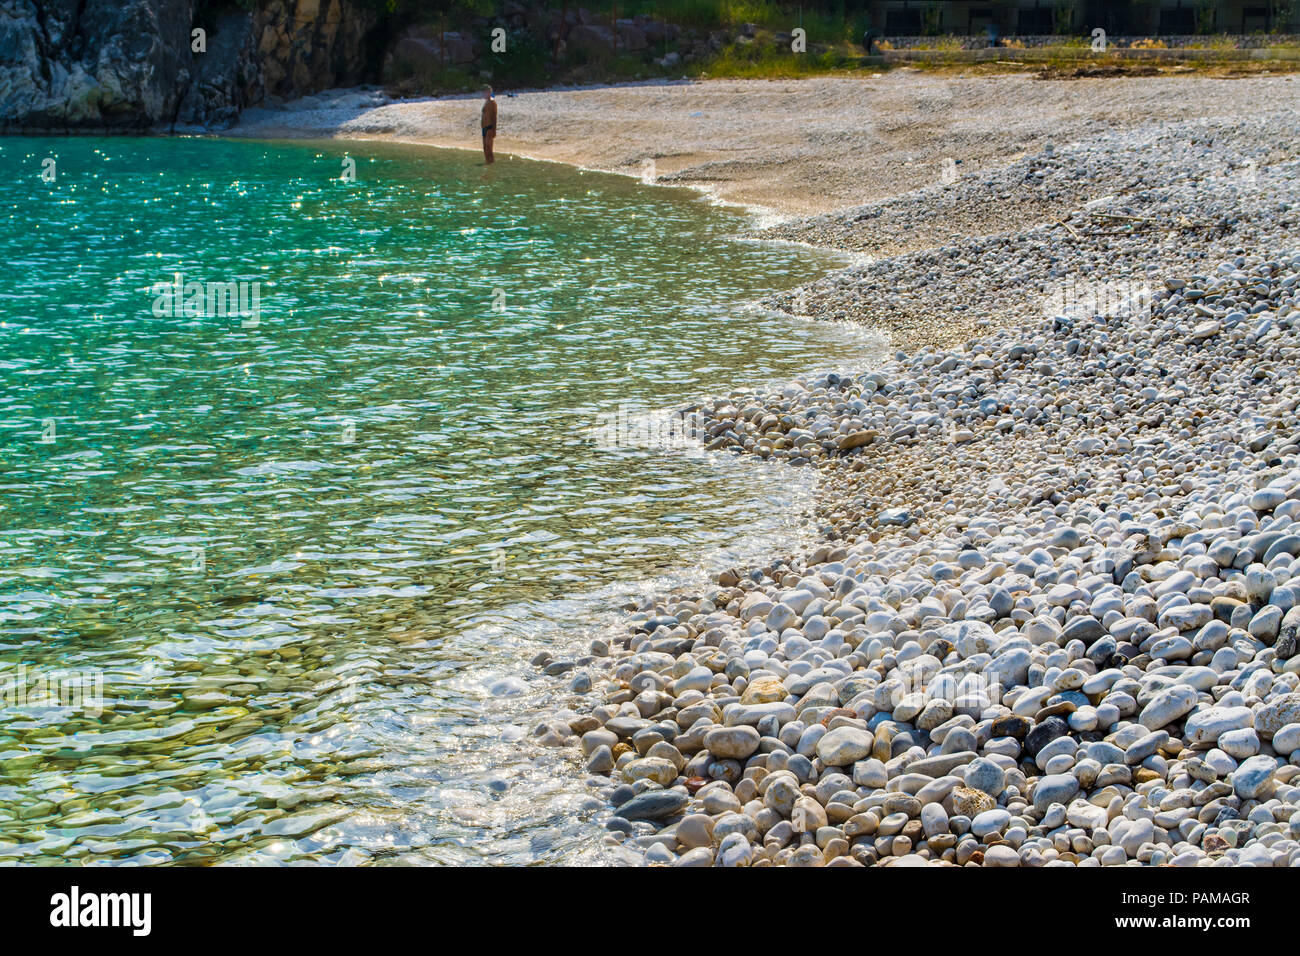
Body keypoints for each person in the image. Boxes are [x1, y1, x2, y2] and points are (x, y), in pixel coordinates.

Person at [480, 86, 497, 165]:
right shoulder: (486, 102)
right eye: (484, 92)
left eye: (486, 92)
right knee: (485, 147)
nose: (484, 94)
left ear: (490, 92)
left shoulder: (492, 102)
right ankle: (487, 163)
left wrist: (493, 130)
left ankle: (491, 163)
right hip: (484, 127)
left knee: (489, 147)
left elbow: (494, 116)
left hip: (489, 126)